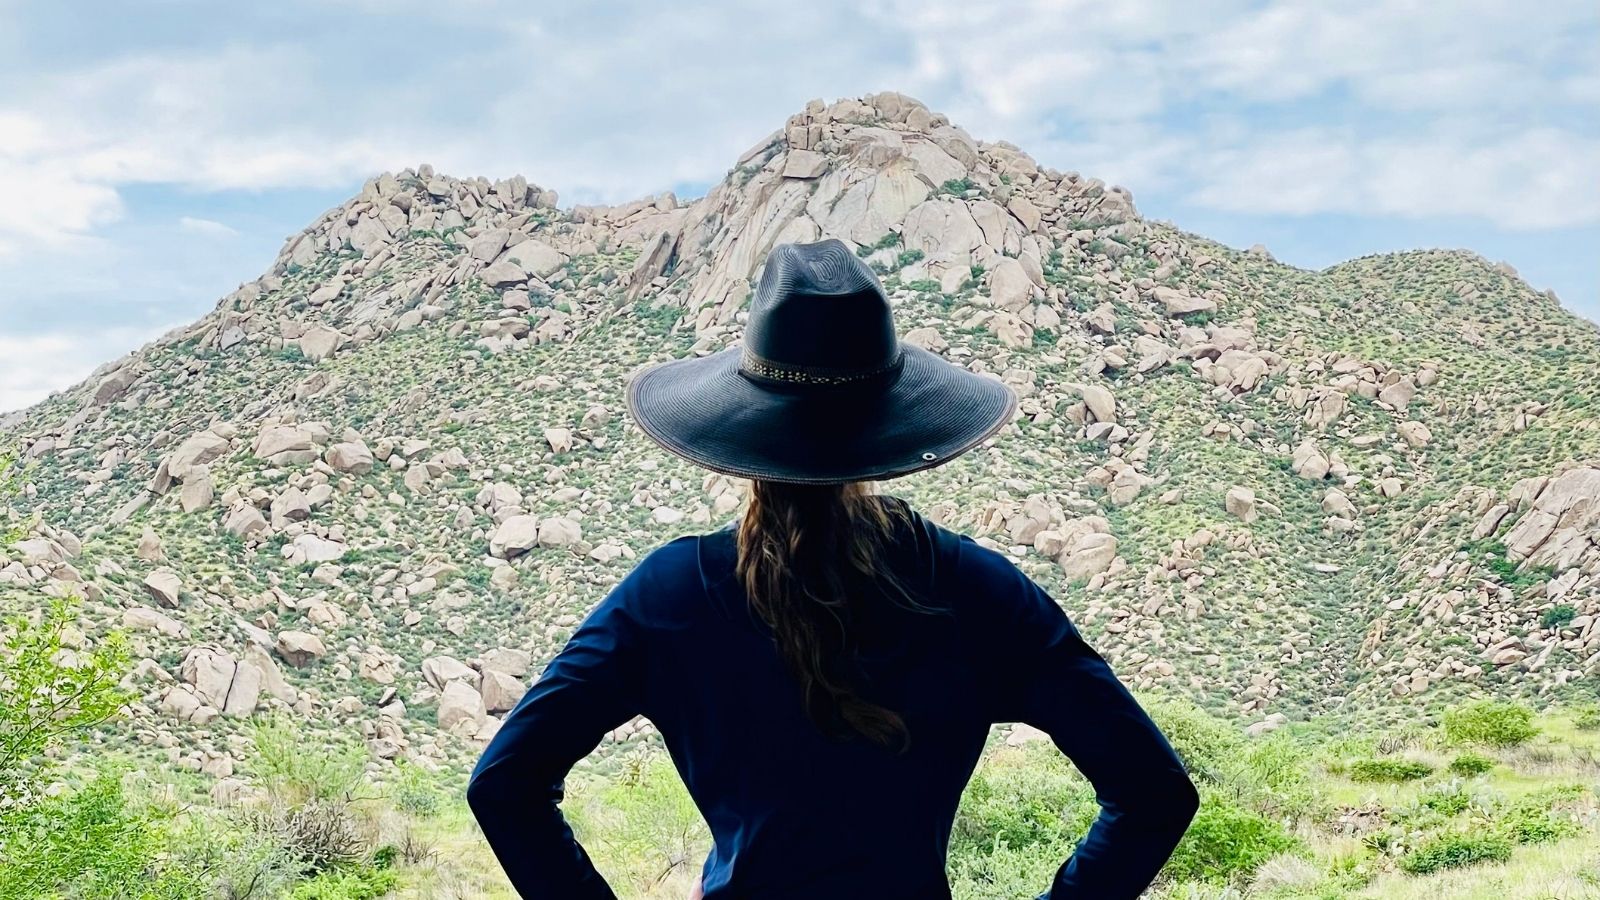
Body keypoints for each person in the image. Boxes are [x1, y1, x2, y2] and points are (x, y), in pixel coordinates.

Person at [467, 239, 1200, 899]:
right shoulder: (977, 592)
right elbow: (1154, 794)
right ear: (893, 415)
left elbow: (505, 786)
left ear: (741, 420)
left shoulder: (669, 596)